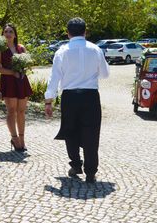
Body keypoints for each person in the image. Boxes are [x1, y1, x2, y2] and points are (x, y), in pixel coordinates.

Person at [45, 18, 109, 183]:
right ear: (85, 32)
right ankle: (91, 171)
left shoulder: (62, 51)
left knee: (70, 131)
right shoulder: (96, 49)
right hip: (90, 96)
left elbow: (54, 78)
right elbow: (105, 74)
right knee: (91, 132)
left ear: (68, 33)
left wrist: (48, 100)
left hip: (70, 97)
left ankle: (75, 164)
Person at [0, 23, 33, 152]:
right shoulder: (0, 48)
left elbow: (28, 64)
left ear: (15, 34)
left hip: (21, 81)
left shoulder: (21, 48)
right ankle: (14, 138)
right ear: (3, 34)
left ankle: (22, 139)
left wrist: (23, 69)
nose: (8, 34)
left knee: (21, 111)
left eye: (11, 31)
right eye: (6, 32)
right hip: (8, 81)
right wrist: (12, 72)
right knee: (12, 111)